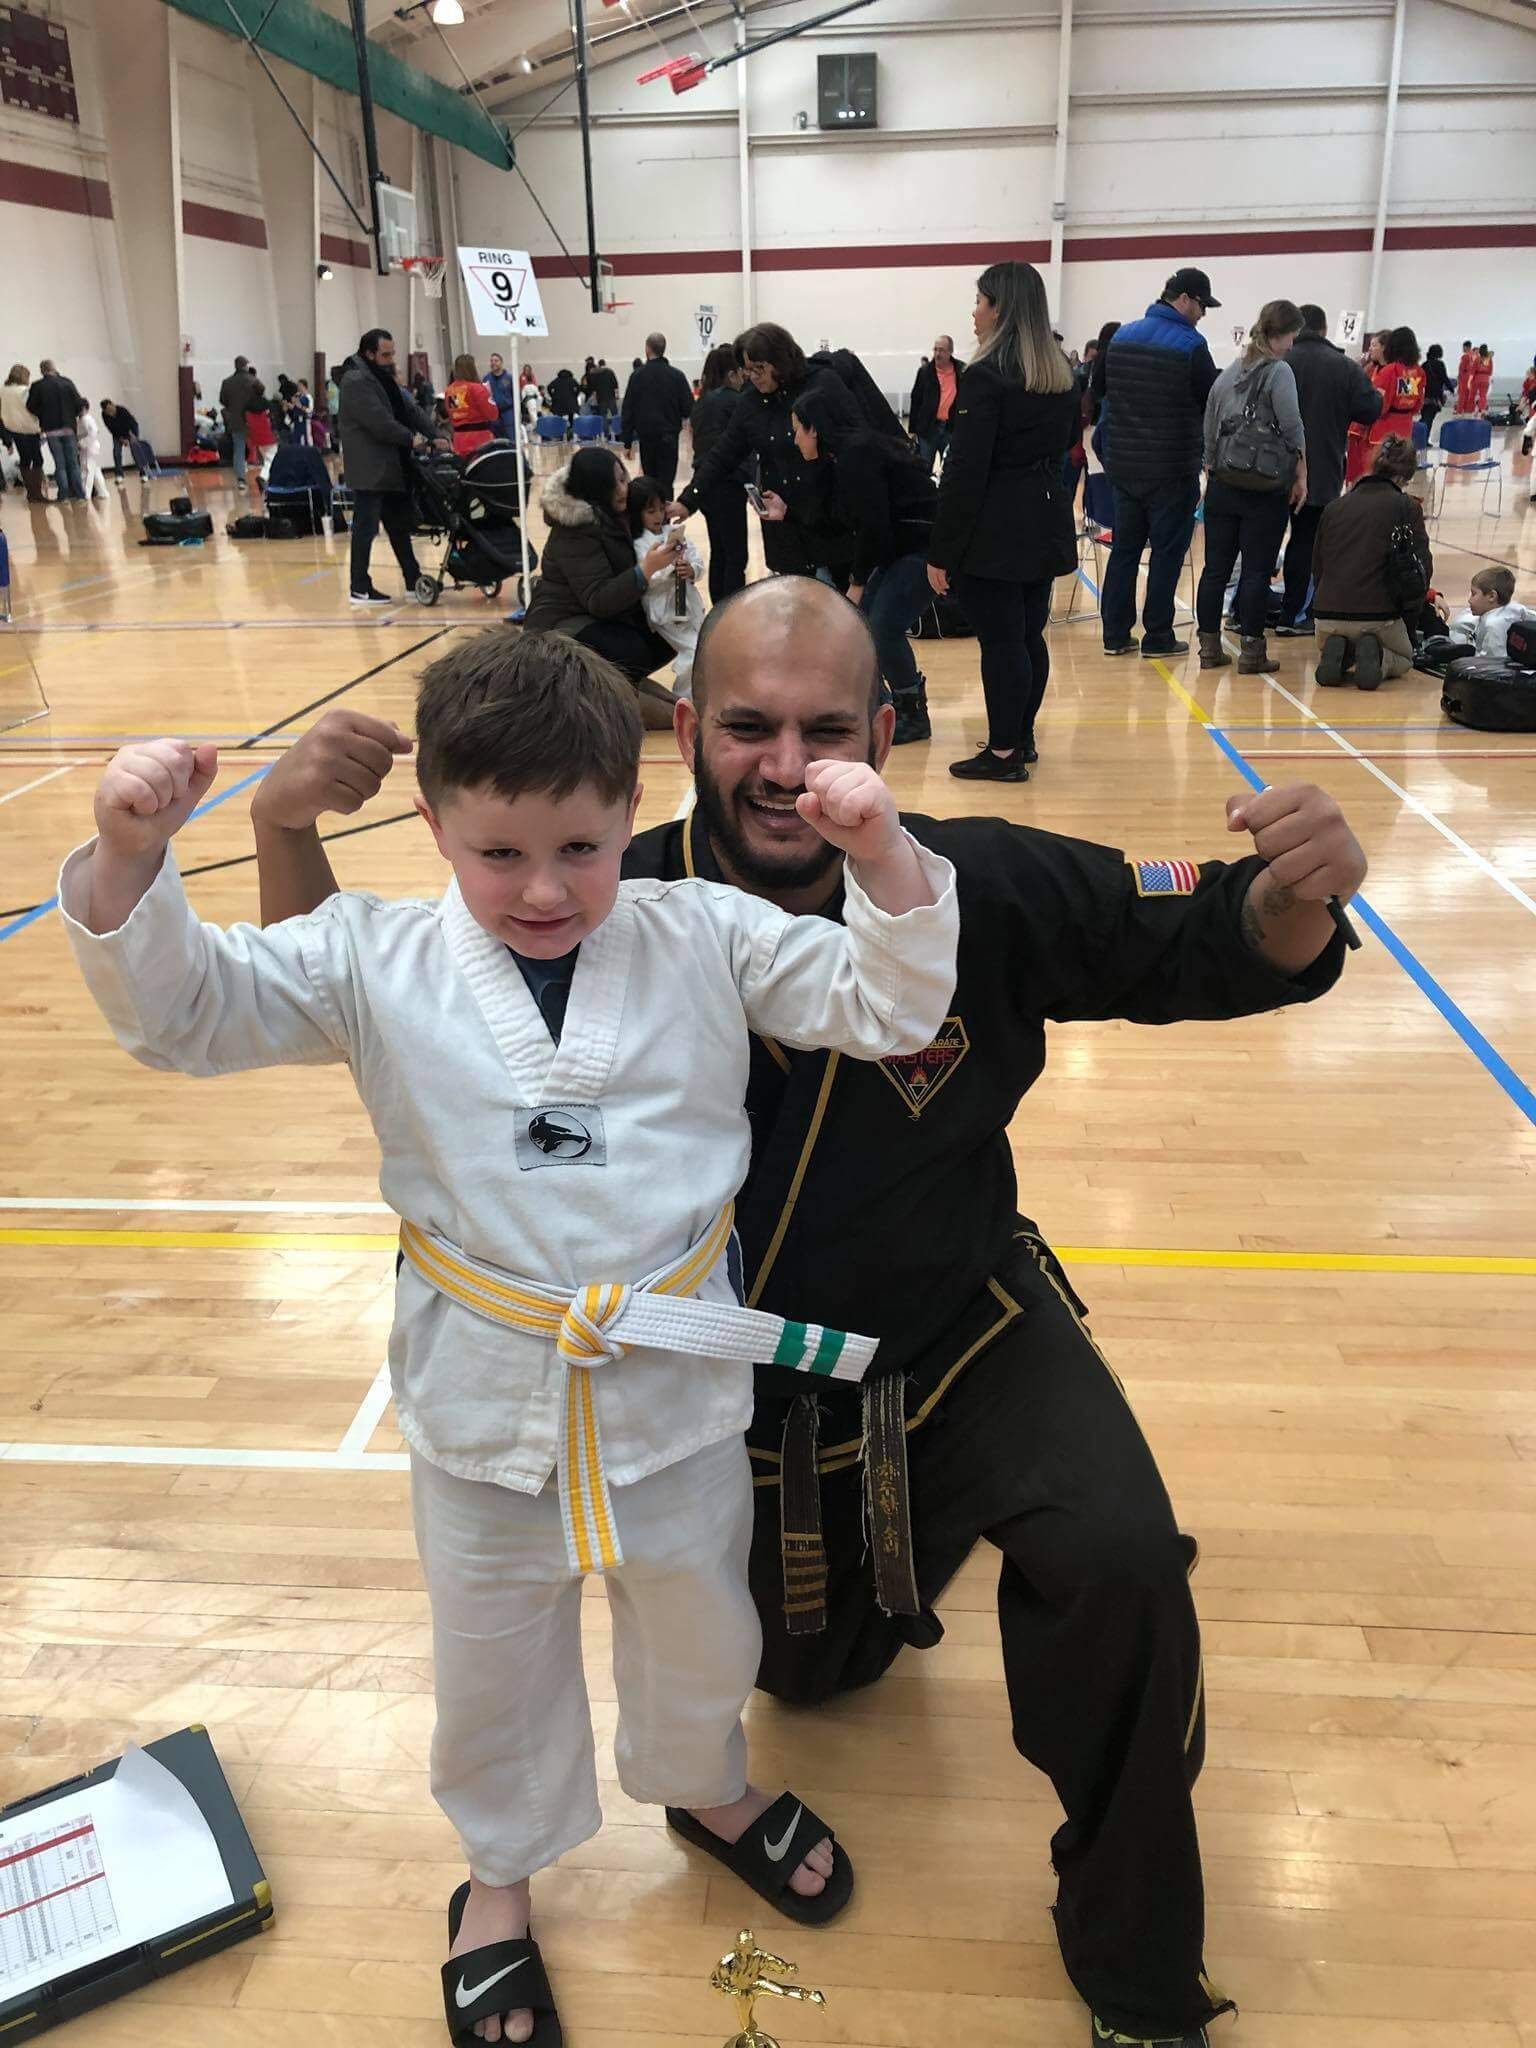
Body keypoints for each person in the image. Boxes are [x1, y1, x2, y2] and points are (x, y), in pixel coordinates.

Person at [250, 573, 1368, 2048]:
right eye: (747, 727)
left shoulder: (970, 885)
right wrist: (282, 831)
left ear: (884, 734)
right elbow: (340, 998)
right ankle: (786, 1660)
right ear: (684, 735)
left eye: (826, 729)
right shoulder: (585, 886)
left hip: (954, 1329)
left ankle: (1140, 1977)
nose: (785, 765)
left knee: (1121, 1558)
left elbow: (1212, 934)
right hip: (713, 1391)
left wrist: (1295, 891)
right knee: (801, 1681)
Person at [61, 626, 960, 2048]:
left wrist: (885, 855)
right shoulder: (371, 956)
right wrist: (131, 854)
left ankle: (706, 1781)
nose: (545, 890)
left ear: (634, 812)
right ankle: (499, 1874)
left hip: (671, 1377)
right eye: (499, 855)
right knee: (493, 1658)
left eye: (583, 850)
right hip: (482, 1393)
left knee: (699, 1619)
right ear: (432, 825)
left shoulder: (702, 932)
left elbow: (893, 1002)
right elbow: (185, 1016)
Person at [927, 260, 1079, 780]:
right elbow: (1064, 447)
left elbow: (965, 471)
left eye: (980, 301)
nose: (974, 312)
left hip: (996, 527)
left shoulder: (986, 377)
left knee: (1002, 641)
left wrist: (942, 551)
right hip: (1044, 517)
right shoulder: (1058, 374)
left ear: (1001, 309)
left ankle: (1003, 753)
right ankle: (1021, 737)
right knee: (1029, 636)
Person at [775, 378, 938, 745]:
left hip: (923, 547)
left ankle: (912, 712)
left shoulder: (856, 457)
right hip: (903, 548)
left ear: (815, 428)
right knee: (865, 627)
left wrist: (857, 583)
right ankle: (885, 706)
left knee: (882, 627)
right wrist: (788, 513)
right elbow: (840, 520)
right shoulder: (843, 456)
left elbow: (873, 528)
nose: (795, 439)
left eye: (797, 430)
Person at [672, 323, 864, 581]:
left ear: (780, 360)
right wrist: (688, 500)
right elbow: (724, 454)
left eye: (759, 368)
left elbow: (857, 444)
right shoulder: (751, 401)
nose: (753, 376)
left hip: (831, 520)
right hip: (784, 527)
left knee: (841, 597)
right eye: (748, 370)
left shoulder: (821, 383)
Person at [1099, 267, 1221, 658]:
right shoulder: (1192, 346)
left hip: (1123, 467)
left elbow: (1101, 394)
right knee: (1166, 555)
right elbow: (1210, 404)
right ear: (1183, 299)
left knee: (1124, 551)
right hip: (1171, 469)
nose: (1203, 314)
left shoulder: (1121, 337)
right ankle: (1157, 636)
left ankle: (1115, 635)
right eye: (1201, 305)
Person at [522, 446, 687, 714]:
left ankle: (615, 683)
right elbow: (598, 599)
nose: (623, 489)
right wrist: (646, 569)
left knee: (669, 632)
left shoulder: (615, 513)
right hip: (560, 627)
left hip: (601, 617)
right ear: (597, 486)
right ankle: (588, 689)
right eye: (615, 483)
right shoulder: (574, 530)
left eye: (624, 479)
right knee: (633, 650)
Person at [1196, 299, 1308, 676]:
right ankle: (1252, 652)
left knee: (1215, 570)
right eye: (1292, 336)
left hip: (1223, 483)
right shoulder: (1279, 372)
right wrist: (1301, 475)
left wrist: (1212, 468)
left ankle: (1209, 648)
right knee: (1256, 571)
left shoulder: (1229, 372)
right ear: (1281, 334)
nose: (1292, 344)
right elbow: (1292, 428)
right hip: (1264, 486)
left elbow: (1209, 428)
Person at [1277, 306, 1381, 636]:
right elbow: (1370, 410)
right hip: (1320, 469)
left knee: (1261, 541)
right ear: (1324, 330)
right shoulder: (1343, 366)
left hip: (1270, 469)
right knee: (1307, 542)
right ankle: (1295, 614)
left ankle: (1244, 613)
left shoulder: (1279, 359)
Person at [1310, 433, 1432, 687]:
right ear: (1405, 476)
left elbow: (1317, 567)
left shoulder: (1334, 507)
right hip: (1378, 617)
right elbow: (1421, 570)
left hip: (1326, 616)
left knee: (1343, 633)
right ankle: (1380, 658)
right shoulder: (1406, 507)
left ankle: (1341, 652)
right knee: (1405, 658)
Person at [337, 327, 443, 607]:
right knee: (365, 529)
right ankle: (359, 587)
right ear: (369, 353)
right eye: (385, 354)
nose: (390, 359)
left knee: (398, 525)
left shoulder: (382, 378)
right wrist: (411, 439)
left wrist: (436, 435)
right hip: (370, 469)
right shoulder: (355, 381)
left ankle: (413, 580)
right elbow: (379, 422)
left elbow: (410, 410)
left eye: (392, 353)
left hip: (391, 465)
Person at [628, 474, 704, 695]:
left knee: (704, 646)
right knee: (694, 651)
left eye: (662, 509)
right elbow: (647, 579)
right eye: (650, 511)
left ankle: (696, 695)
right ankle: (683, 699)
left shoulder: (674, 533)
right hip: (664, 610)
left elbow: (696, 560)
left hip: (688, 603)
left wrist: (691, 569)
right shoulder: (637, 543)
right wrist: (669, 567)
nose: (658, 516)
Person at [688, 344, 750, 604]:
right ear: (732, 373)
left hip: (704, 484)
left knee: (719, 551)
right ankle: (732, 611)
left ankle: (718, 609)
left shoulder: (701, 403)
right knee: (736, 555)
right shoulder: (734, 401)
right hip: (728, 484)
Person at [620, 333, 693, 500]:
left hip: (647, 439)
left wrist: (627, 442)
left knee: (650, 482)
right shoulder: (677, 376)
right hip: (669, 438)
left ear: (647, 348)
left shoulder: (637, 376)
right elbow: (688, 408)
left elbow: (628, 410)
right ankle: (666, 513)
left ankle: (652, 514)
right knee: (666, 483)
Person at [27, 358, 86, 501]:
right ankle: (80, 494)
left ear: (42, 371)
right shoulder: (67, 382)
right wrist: (71, 415)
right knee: (73, 463)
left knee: (60, 465)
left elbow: (30, 407)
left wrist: (43, 415)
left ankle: (63, 496)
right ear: (54, 368)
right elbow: (79, 403)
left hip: (51, 430)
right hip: (68, 428)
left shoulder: (37, 386)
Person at [908, 334, 965, 475]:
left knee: (951, 470)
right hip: (928, 429)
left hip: (951, 429)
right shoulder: (925, 372)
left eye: (942, 350)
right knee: (924, 469)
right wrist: (912, 429)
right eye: (935, 349)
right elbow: (916, 399)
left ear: (950, 351)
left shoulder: (961, 370)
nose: (937, 354)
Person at [1444, 565, 1526, 659]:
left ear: (1491, 596)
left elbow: (1492, 662)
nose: (1469, 600)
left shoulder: (1494, 626)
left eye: (1474, 594)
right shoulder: (1516, 608)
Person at [2, 365, 45, 503]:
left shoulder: (2, 391)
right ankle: (37, 493)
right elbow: (33, 407)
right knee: (38, 460)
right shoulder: (25, 391)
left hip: (14, 429)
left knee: (25, 460)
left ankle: (30, 493)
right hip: (30, 428)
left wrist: (7, 440)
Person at [218, 356, 262, 486]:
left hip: (236, 420)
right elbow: (262, 394)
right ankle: (264, 477)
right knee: (262, 446)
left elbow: (223, 400)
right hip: (253, 419)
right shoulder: (253, 380)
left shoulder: (227, 382)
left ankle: (241, 480)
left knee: (239, 449)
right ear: (245, 366)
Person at [444, 354, 499, 457]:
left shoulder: (450, 390)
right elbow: (493, 414)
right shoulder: (477, 388)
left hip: (459, 440)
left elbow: (453, 414)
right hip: (479, 439)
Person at [75, 401, 111, 502]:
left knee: (86, 470)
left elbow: (93, 433)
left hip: (89, 447)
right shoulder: (83, 419)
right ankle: (103, 492)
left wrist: (81, 443)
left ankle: (85, 494)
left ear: (85, 408)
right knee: (94, 471)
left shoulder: (86, 419)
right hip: (89, 447)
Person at [1419, 343, 1451, 440]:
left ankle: (1421, 437)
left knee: (1425, 417)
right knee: (1429, 419)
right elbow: (1444, 378)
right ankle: (1423, 439)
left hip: (1424, 396)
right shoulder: (1439, 364)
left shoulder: (1424, 365)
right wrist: (1451, 389)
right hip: (1434, 395)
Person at [485, 352, 517, 442]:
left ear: (501, 363)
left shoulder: (509, 378)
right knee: (495, 441)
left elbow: (516, 396)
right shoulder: (486, 378)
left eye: (496, 361)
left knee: (511, 439)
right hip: (493, 414)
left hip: (508, 413)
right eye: (491, 361)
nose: (493, 363)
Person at [589, 358, 620, 426]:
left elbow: (594, 387)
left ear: (599, 365)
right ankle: (617, 430)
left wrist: (595, 397)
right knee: (615, 414)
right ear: (605, 364)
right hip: (611, 397)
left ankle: (605, 431)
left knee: (603, 416)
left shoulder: (596, 373)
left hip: (601, 398)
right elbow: (615, 384)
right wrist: (617, 395)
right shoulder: (610, 372)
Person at [1470, 343, 1494, 415]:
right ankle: (1482, 410)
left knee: (1474, 395)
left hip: (1477, 379)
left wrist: (1470, 380)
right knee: (1483, 396)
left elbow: (1473, 371)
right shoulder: (1489, 360)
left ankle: (1475, 410)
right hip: (1485, 379)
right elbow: (1490, 371)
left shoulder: (1477, 359)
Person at [1455, 339, 1476, 414]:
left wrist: (1459, 377)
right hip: (1472, 377)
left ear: (1466, 347)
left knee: (1462, 395)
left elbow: (1462, 368)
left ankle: (1460, 410)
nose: (1462, 349)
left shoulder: (1465, 356)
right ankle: (1469, 410)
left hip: (1465, 378)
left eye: (1463, 347)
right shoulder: (1474, 356)